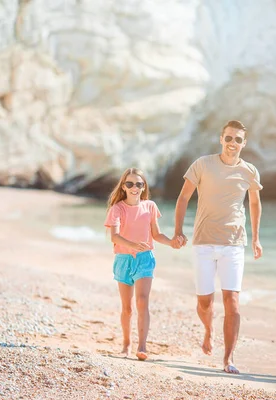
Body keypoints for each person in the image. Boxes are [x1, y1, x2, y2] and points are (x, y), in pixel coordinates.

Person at [173, 120, 263, 374]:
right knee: (204, 302)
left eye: (238, 139)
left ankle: (228, 358)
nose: (232, 143)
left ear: (244, 144)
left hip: (234, 243)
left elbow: (254, 205)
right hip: (203, 241)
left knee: (232, 301)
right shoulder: (202, 164)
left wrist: (256, 238)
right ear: (220, 139)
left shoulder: (250, 171)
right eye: (229, 138)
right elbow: (183, 197)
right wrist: (178, 230)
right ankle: (209, 329)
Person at [104, 168, 181, 360]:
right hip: (123, 260)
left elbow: (156, 234)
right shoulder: (117, 209)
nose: (134, 187)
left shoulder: (150, 206)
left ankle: (142, 346)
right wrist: (132, 245)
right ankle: (126, 345)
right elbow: (114, 236)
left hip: (145, 259)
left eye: (138, 184)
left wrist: (171, 242)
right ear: (123, 187)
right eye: (129, 184)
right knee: (127, 307)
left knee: (142, 301)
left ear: (143, 186)